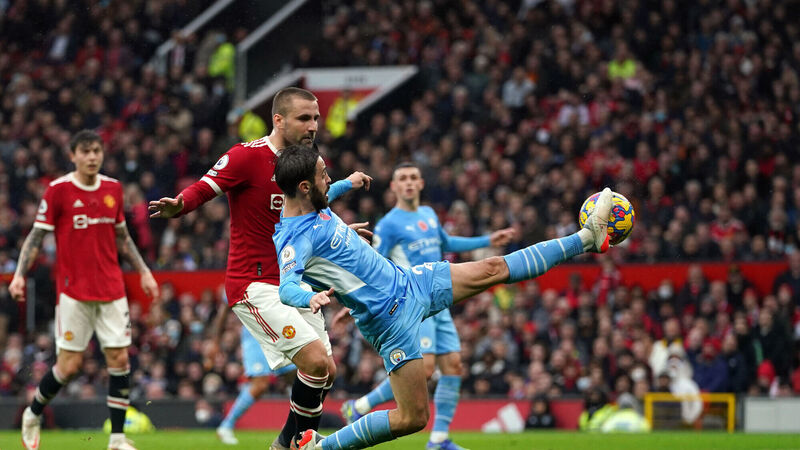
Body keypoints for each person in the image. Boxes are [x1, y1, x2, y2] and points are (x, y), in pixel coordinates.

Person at [272, 146, 614, 449]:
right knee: (412, 418)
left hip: (410, 281)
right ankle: (324, 447)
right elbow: (287, 287)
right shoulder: (293, 239)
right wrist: (308, 299)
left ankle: (586, 239)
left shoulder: (314, 201)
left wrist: (349, 182)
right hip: (389, 321)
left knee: (493, 267)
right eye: (324, 175)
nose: (329, 180)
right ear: (304, 188)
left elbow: (330, 194)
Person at [148, 87, 371, 449]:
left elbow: (316, 206)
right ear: (278, 120)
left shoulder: (308, 161)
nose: (313, 126)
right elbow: (205, 187)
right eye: (304, 118)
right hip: (254, 284)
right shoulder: (246, 156)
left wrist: (343, 228)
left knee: (326, 372)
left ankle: (284, 444)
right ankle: (296, 443)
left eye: (316, 118)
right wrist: (180, 205)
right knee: (315, 362)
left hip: (294, 279)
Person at [340, 162, 515, 450]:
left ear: (421, 183)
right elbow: (373, 264)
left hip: (440, 298)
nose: (409, 182)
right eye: (402, 179)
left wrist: (488, 239)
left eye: (413, 178)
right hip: (414, 302)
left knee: (453, 366)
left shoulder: (429, 214)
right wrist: (357, 300)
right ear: (394, 186)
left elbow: (446, 242)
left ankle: (439, 439)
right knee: (426, 368)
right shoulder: (389, 224)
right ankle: (359, 406)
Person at [10, 130, 159, 450]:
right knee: (68, 367)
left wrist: (144, 271)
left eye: (97, 151)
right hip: (73, 293)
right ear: (73, 155)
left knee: (119, 358)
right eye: (86, 151)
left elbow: (122, 237)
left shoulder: (113, 188)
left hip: (112, 289)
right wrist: (19, 275)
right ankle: (33, 412)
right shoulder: (58, 191)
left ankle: (117, 439)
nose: (92, 157)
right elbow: (36, 237)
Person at [212, 294, 296, 445]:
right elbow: (225, 308)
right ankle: (226, 425)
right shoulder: (238, 279)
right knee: (260, 384)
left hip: (280, 330)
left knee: (296, 376)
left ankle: (295, 425)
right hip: (255, 333)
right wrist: (216, 341)